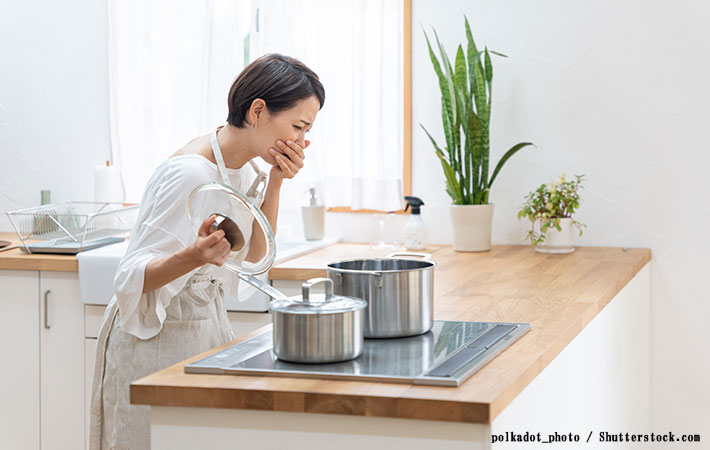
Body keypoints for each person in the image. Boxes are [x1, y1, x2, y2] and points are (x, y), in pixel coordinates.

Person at [89, 53, 325, 450]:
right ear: (258, 111)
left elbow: (253, 258)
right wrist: (196, 256)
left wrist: (276, 184)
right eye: (299, 126)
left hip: (202, 332)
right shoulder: (190, 173)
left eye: (307, 131)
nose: (303, 141)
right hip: (154, 345)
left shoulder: (243, 168)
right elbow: (131, 278)